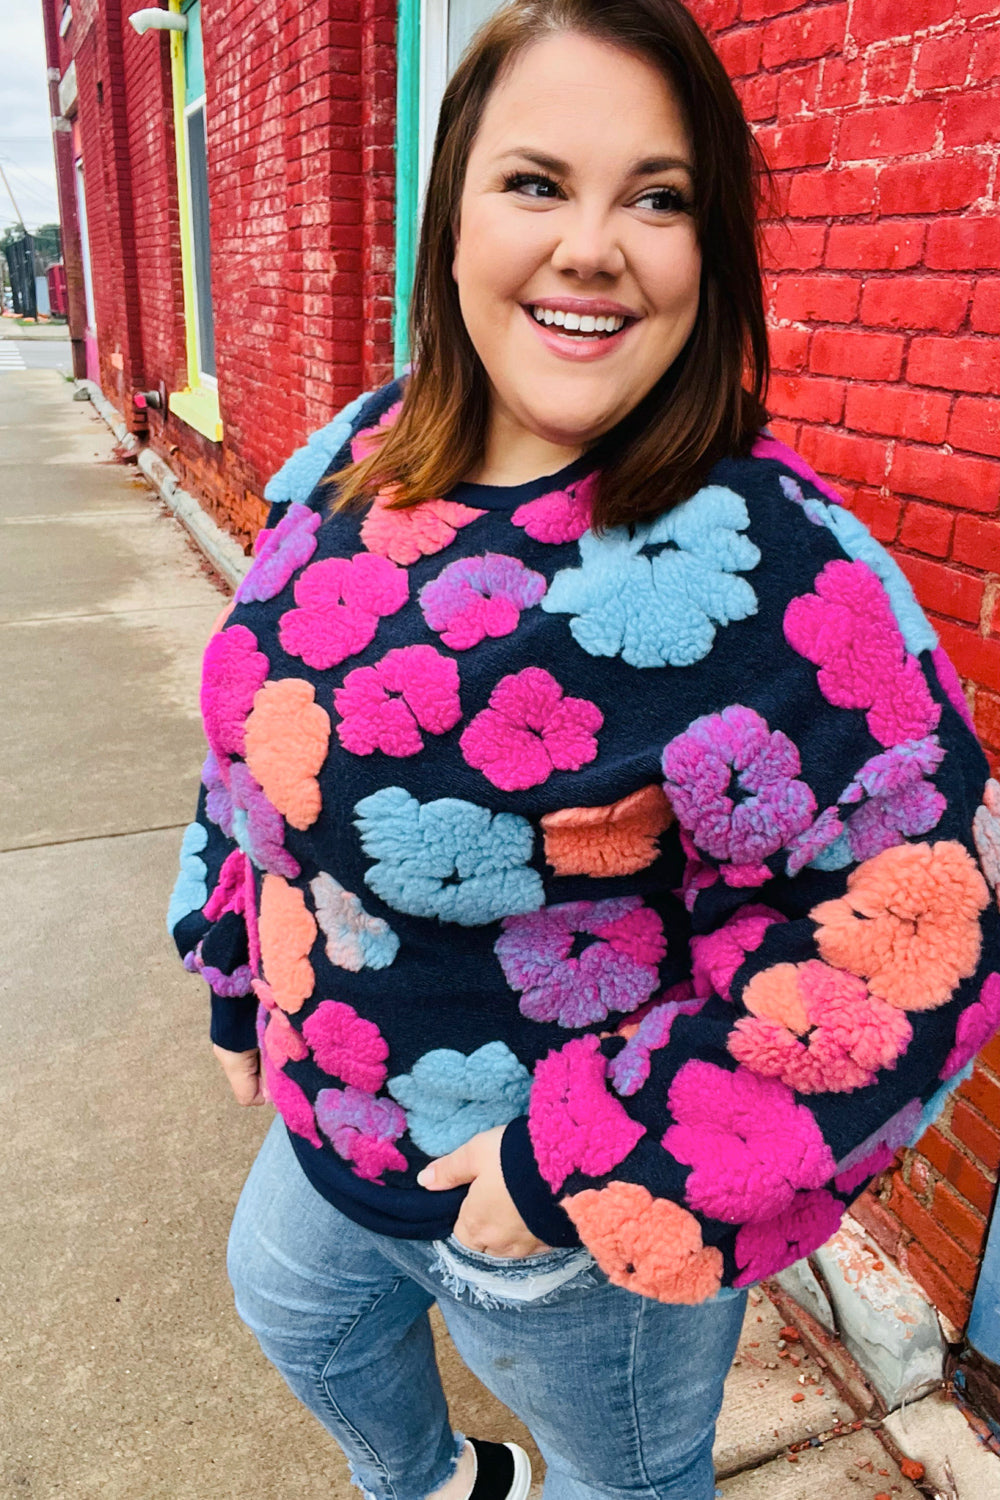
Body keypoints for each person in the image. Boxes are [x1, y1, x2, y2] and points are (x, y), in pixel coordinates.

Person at [169, 3, 1000, 1498]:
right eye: (537, 182)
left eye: (659, 197)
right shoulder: (359, 451)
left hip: (549, 1229)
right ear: (456, 212)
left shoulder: (767, 566)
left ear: (711, 248)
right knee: (292, 1309)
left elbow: (917, 932)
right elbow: (252, 740)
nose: (593, 244)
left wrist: (577, 1175)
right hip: (327, 1120)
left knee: (626, 1478)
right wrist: (233, 968)